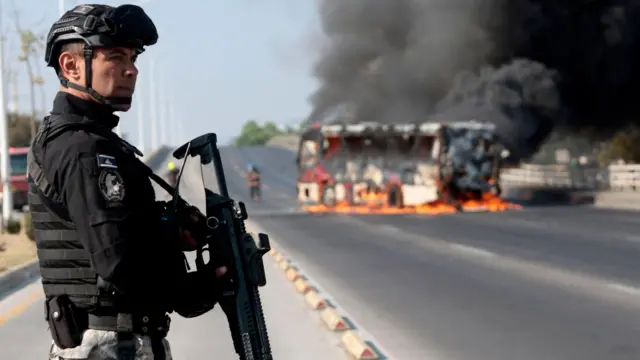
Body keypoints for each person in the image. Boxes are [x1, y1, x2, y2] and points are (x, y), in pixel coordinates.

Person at [28, 4, 226, 360]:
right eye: (115, 57)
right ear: (71, 66)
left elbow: (121, 233)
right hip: (109, 346)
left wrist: (168, 226)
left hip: (119, 343)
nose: (131, 70)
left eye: (133, 57)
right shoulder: (83, 149)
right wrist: (197, 288)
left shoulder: (94, 141)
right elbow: (118, 262)